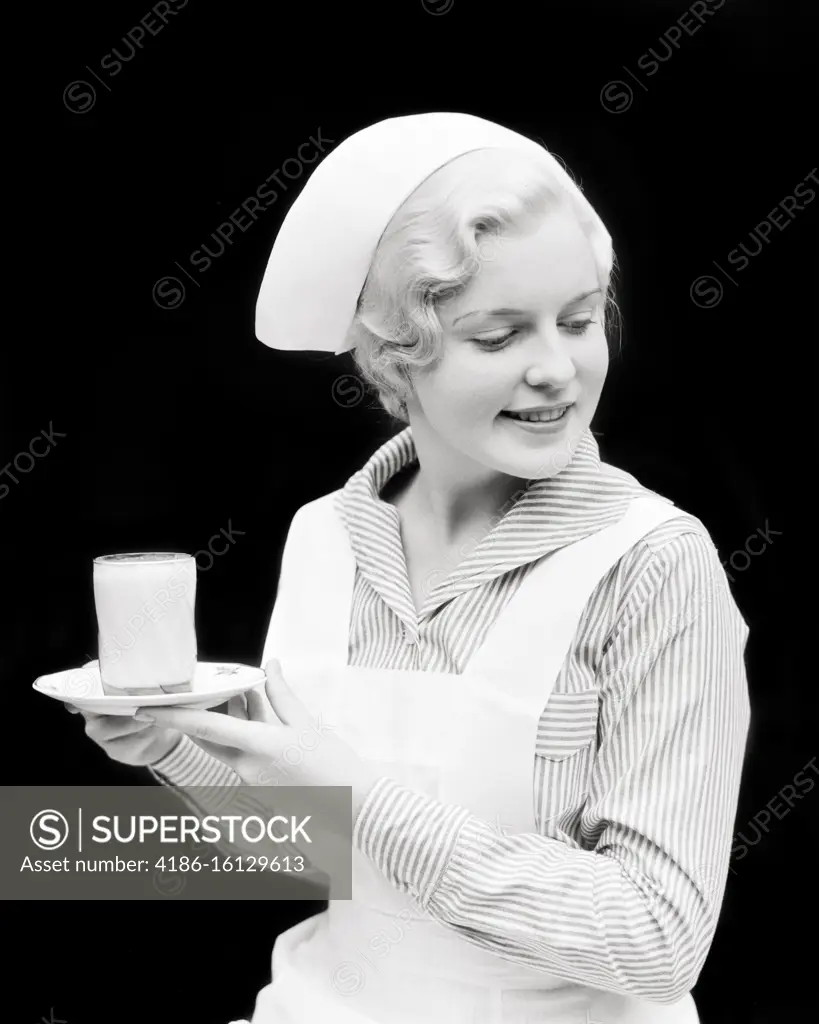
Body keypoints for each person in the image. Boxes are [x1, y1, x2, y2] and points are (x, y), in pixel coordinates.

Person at [72, 113, 751, 1023]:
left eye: (579, 321)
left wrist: (359, 795)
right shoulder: (325, 536)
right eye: (499, 336)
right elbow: (318, 853)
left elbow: (655, 939)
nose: (557, 368)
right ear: (398, 356)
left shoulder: (653, 566)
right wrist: (174, 750)